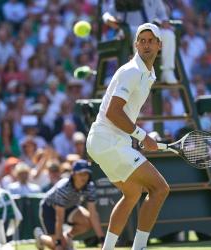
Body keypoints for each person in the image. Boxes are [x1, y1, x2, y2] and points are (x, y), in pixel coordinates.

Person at [86, 23, 170, 250]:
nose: (146, 44)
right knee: (160, 188)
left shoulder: (148, 73)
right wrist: (143, 136)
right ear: (135, 44)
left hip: (106, 141)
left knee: (132, 194)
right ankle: (139, 248)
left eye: (150, 40)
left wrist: (135, 137)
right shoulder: (132, 71)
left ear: (159, 45)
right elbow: (114, 112)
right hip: (107, 139)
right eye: (141, 40)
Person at [34, 160, 105, 250]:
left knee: (88, 221)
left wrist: (103, 241)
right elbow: (59, 218)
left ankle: (68, 237)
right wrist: (58, 243)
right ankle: (41, 238)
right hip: (49, 209)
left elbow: (93, 214)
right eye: (81, 174)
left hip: (70, 206)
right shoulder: (63, 188)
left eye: (86, 174)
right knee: (62, 248)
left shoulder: (90, 186)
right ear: (74, 174)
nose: (84, 177)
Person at [103, 0, 178, 84]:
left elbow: (162, 15)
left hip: (151, 29)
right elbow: (107, 14)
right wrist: (110, 20)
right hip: (130, 30)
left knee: (168, 35)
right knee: (140, 35)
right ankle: (142, 73)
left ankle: (167, 71)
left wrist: (164, 21)